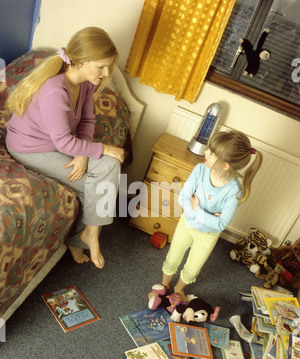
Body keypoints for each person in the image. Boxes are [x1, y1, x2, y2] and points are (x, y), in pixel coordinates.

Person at [6, 27, 124, 269]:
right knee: (98, 183)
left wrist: (84, 152)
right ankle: (85, 236)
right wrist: (102, 148)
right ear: (80, 61)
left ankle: (89, 233)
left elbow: (88, 121)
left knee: (110, 167)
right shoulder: (54, 90)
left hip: (58, 142)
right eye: (101, 66)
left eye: (108, 67)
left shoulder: (87, 84)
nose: (106, 73)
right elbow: (64, 143)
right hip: (30, 147)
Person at [150, 130, 263, 300]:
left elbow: (221, 224)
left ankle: (178, 289)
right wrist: (205, 216)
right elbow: (183, 198)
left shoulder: (234, 190)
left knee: (192, 268)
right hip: (186, 224)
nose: (205, 153)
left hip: (208, 236)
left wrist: (196, 210)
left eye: (211, 153)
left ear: (225, 165)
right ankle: (164, 285)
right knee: (173, 258)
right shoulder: (200, 170)